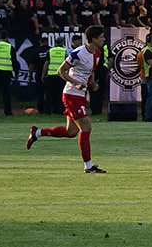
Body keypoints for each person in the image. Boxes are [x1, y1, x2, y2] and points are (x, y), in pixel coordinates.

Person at [27, 26, 105, 173]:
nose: (104, 39)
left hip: (80, 95)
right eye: (101, 37)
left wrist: (92, 83)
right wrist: (75, 82)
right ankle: (88, 166)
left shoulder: (98, 53)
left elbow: (91, 71)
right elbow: (60, 71)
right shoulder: (78, 53)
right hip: (71, 95)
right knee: (86, 127)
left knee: (71, 132)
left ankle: (37, 132)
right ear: (93, 38)